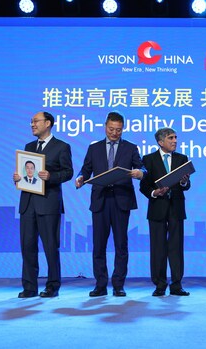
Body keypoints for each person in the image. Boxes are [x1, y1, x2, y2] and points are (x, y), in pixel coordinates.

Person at [76, 111, 145, 297]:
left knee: (121, 245)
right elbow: (86, 169)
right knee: (99, 245)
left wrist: (140, 173)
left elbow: (141, 167)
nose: (114, 133)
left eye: (118, 130)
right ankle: (100, 284)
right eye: (111, 129)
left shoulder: (130, 148)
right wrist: (80, 177)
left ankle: (118, 285)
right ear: (105, 127)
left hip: (122, 200)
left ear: (123, 129)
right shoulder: (94, 148)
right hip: (100, 200)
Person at [13, 111, 73, 298]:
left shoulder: (61, 146)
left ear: (47, 123)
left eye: (35, 121)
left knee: (50, 247)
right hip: (28, 203)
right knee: (28, 246)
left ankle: (52, 286)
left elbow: (68, 172)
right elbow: (25, 172)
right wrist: (18, 178)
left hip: (48, 204)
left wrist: (51, 177)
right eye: (31, 121)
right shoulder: (29, 146)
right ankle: (29, 287)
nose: (32, 124)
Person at [139, 128, 191, 297]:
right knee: (158, 248)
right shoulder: (148, 160)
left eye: (176, 137)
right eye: (171, 138)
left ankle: (177, 284)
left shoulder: (182, 159)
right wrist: (155, 193)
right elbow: (144, 186)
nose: (175, 141)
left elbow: (187, 186)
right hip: (157, 207)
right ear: (161, 142)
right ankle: (160, 284)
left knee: (176, 248)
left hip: (176, 208)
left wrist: (184, 182)